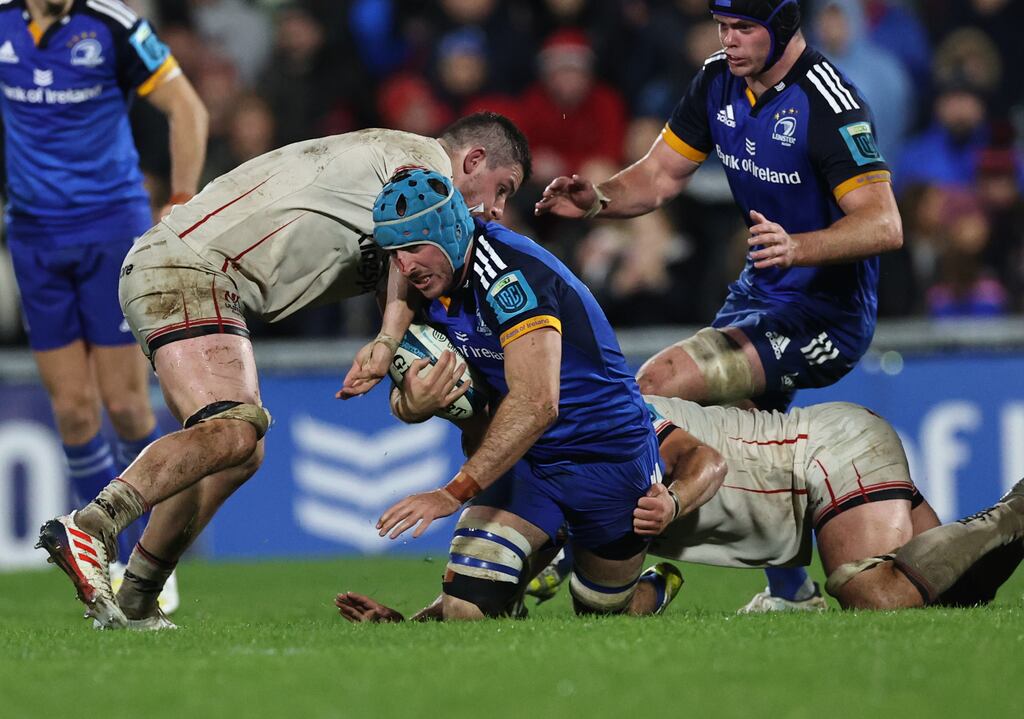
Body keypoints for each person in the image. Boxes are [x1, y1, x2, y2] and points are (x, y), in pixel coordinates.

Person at [35, 112, 531, 630]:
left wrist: (410, 386)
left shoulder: (405, 243)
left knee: (234, 450)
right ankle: (93, 525)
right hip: (192, 268)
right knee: (234, 428)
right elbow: (404, 238)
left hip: (196, 273)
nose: (496, 210)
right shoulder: (422, 162)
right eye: (503, 189)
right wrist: (385, 340)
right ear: (473, 160)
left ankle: (136, 600)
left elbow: (401, 306)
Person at [534, 0, 903, 612]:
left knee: (659, 382)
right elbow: (657, 177)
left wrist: (799, 246)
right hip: (758, 295)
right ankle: (792, 592)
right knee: (748, 433)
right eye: (722, 27)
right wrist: (598, 198)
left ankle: (583, 541)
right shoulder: (717, 81)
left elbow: (884, 224)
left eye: (743, 29)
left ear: (782, 25)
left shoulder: (828, 103)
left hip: (824, 316)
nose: (726, 41)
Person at [337, 395, 1024, 621]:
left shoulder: (591, 415)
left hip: (819, 447)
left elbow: (705, 462)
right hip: (798, 468)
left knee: (872, 595)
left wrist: (669, 499)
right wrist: (416, 621)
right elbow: (499, 586)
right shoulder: (545, 472)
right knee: (945, 601)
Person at [371, 169, 673, 622]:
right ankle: (520, 576)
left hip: (607, 456)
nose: (405, 266)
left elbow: (537, 403)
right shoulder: (427, 286)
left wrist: (451, 494)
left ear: (453, 232)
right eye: (394, 253)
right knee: (465, 609)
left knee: (603, 614)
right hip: (530, 460)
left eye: (414, 247)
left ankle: (649, 584)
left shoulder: (509, 275)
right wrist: (412, 405)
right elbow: (413, 400)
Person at [3, 0, 208, 612]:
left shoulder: (114, 25)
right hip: (34, 235)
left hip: (109, 227)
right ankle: (105, 556)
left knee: (123, 403)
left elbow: (187, 109)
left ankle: (151, 560)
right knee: (71, 411)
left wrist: (179, 197)